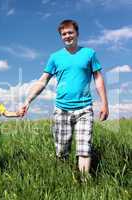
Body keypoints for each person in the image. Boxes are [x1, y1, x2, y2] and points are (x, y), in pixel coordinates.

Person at [20, 19, 109, 175]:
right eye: (64, 34)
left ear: (77, 33)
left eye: (70, 32)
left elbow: (98, 78)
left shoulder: (89, 53)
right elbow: (43, 81)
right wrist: (28, 100)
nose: (67, 36)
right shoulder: (55, 57)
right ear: (61, 36)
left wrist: (104, 103)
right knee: (61, 150)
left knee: (84, 148)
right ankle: (64, 177)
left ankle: (84, 183)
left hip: (84, 108)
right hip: (62, 109)